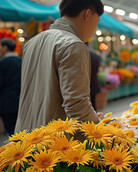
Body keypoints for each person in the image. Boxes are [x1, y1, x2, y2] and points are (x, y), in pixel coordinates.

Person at [15, 0, 103, 132]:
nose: (94, 29)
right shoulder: (73, 45)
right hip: (55, 143)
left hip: (25, 138)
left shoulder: (31, 43)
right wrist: (101, 127)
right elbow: (77, 106)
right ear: (87, 14)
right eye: (97, 22)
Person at [0, 38, 21, 135]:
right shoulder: (22, 61)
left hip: (6, 102)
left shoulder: (3, 63)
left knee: (11, 130)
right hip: (21, 100)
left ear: (5, 47)